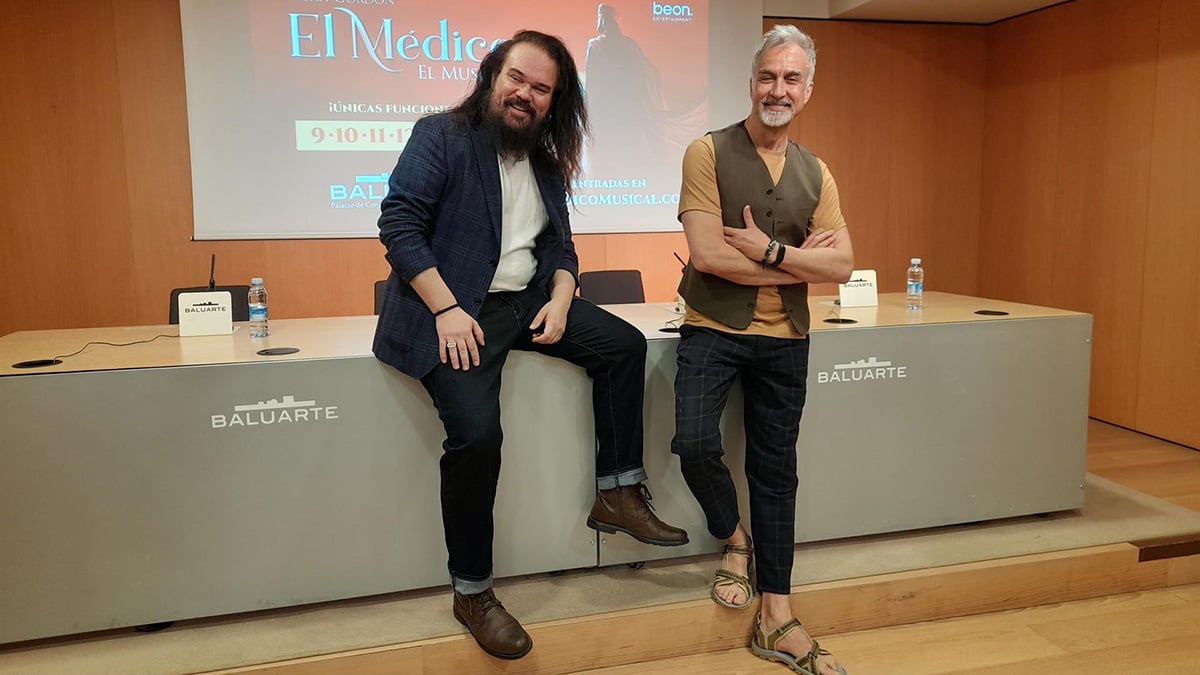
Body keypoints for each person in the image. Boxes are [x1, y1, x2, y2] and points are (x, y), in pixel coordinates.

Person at [372, 30, 688, 661]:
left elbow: (561, 249)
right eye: (517, 79)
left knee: (624, 345)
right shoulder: (441, 136)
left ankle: (618, 491)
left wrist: (565, 294)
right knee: (478, 436)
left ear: (554, 101)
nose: (525, 95)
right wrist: (449, 308)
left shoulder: (544, 159)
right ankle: (472, 593)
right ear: (493, 75)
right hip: (453, 310)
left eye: (541, 89)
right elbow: (398, 226)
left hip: (525, 304)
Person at [671, 25, 854, 675]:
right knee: (693, 442)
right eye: (769, 76)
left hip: (787, 341)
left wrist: (772, 252)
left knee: (776, 475)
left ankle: (777, 615)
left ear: (808, 90)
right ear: (752, 83)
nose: (779, 89)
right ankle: (734, 538)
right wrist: (805, 263)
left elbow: (846, 264)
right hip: (711, 328)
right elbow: (708, 254)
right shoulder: (707, 152)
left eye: (792, 79)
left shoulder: (817, 172)